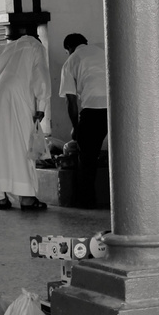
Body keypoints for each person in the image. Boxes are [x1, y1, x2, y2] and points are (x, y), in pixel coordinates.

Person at [0, 26, 50, 210]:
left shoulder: (4, 48)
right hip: (15, 93)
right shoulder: (35, 46)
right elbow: (41, 76)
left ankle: (0, 197)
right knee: (21, 143)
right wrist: (41, 106)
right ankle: (27, 198)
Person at [58, 33, 108, 205]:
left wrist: (76, 127)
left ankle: (86, 201)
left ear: (69, 49)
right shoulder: (103, 49)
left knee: (87, 158)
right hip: (118, 108)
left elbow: (71, 101)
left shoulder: (71, 61)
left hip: (93, 109)